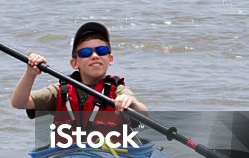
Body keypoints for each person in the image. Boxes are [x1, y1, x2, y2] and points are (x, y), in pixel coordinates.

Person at [10, 22, 147, 139]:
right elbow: (19, 102)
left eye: (101, 50)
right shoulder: (60, 90)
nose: (94, 56)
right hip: (70, 157)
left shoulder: (118, 90)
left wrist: (130, 103)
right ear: (75, 63)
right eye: (85, 53)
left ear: (110, 59)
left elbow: (143, 113)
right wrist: (30, 73)